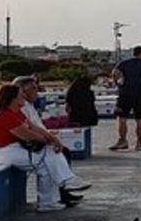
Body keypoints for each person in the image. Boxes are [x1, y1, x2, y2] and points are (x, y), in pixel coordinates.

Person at [0, 84, 89, 212]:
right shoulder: (5, 116)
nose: (23, 96)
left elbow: (34, 128)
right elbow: (28, 135)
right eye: (20, 94)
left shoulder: (16, 113)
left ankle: (51, 200)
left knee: (46, 167)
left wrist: (53, 139)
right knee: (47, 156)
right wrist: (50, 141)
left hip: (14, 148)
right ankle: (66, 181)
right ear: (12, 98)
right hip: (3, 152)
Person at [13, 76, 93, 204]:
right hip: (22, 145)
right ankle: (62, 189)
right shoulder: (22, 108)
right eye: (33, 88)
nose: (37, 91)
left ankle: (63, 190)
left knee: (61, 152)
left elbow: (36, 126)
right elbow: (30, 130)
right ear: (22, 91)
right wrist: (49, 140)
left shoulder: (28, 106)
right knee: (53, 155)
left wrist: (50, 138)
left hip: (33, 141)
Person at [110, 46, 141, 151]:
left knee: (122, 118)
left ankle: (122, 140)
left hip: (125, 93)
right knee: (140, 120)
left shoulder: (124, 63)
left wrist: (118, 83)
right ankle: (139, 142)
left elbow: (114, 73)